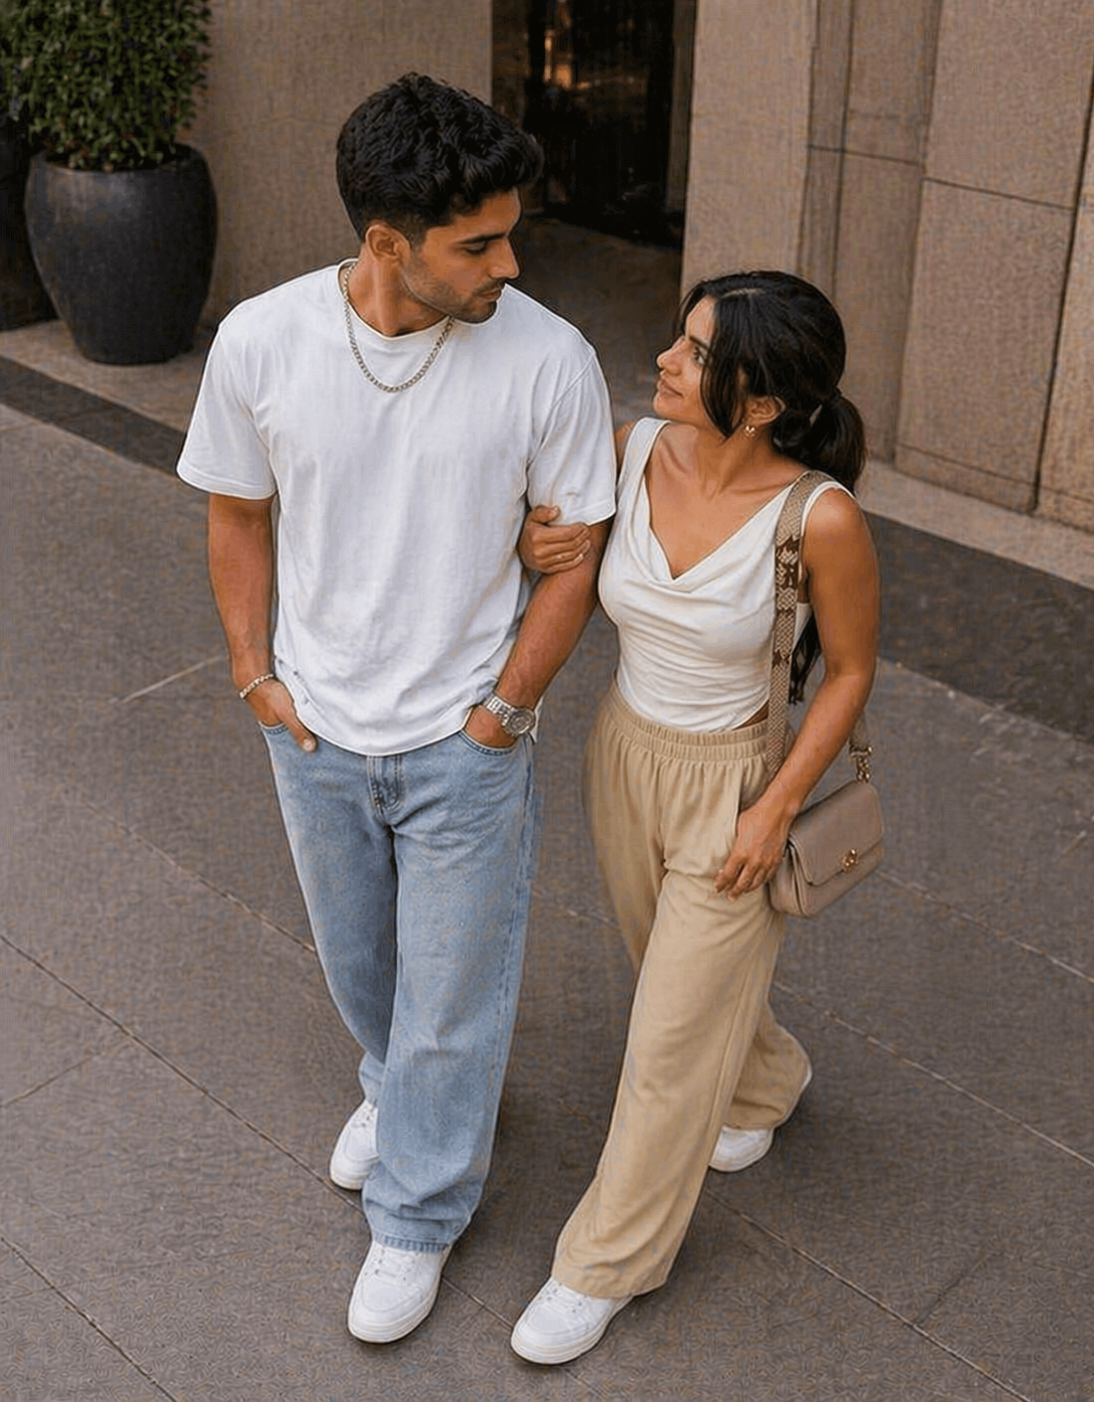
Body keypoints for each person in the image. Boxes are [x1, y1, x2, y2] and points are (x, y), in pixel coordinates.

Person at [176, 73, 616, 1344]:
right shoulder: (263, 340)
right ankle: (402, 1089)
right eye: (477, 242)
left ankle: (421, 1210)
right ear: (386, 243)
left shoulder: (549, 358)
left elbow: (575, 554)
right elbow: (236, 512)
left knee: (452, 994)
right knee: (363, 967)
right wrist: (257, 676)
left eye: (509, 231)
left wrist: (503, 713)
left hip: (464, 741)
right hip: (312, 725)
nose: (509, 261)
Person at [509, 271, 880, 1364]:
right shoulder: (630, 450)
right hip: (622, 756)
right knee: (664, 974)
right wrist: (543, 552)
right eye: (677, 336)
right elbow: (561, 564)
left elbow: (850, 670)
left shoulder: (821, 516)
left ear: (760, 399)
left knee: (666, 1044)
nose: (668, 357)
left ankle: (603, 1263)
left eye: (695, 348)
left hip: (736, 784)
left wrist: (772, 809)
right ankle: (768, 1076)